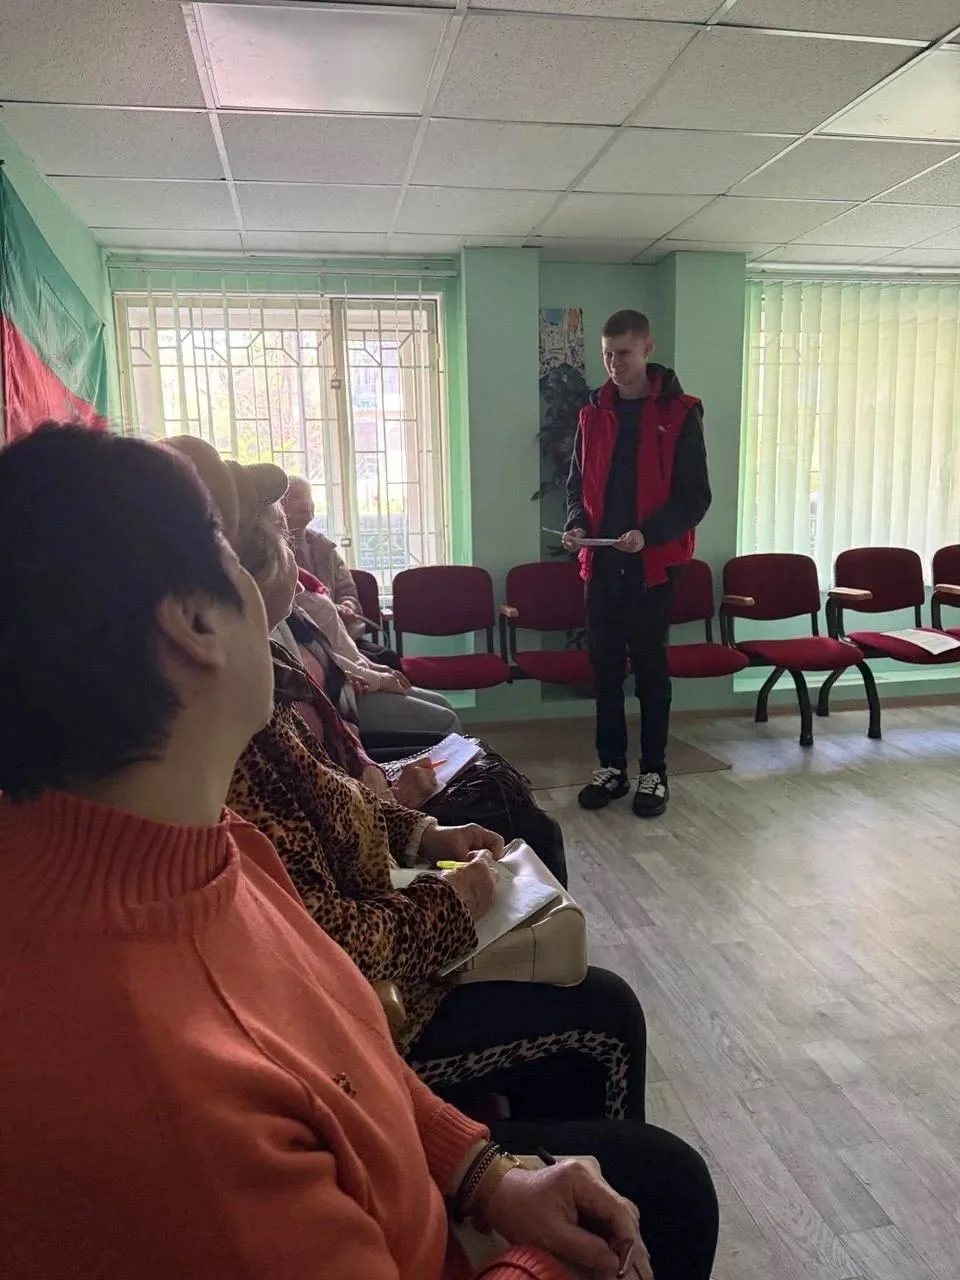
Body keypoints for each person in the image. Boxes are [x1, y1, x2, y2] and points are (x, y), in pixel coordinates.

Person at [0, 423, 718, 1280]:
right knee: (665, 1197)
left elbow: (339, 1047)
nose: (268, 572)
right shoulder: (163, 1087)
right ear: (193, 623)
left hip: (414, 1179)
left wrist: (485, 1174)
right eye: (226, 545)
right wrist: (552, 1262)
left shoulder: (203, 844)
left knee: (662, 1178)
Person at [175, 442, 641, 1119]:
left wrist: (426, 835)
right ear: (198, 617)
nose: (289, 545)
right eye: (271, 535)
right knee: (606, 1012)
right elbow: (332, 945)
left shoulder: (263, 691)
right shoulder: (231, 748)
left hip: (391, 927)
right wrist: (453, 898)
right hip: (376, 1016)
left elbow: (332, 789)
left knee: (516, 824)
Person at [564, 310, 711, 819]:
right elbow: (575, 488)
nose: (614, 365)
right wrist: (576, 525)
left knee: (650, 670)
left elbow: (695, 498)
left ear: (647, 348)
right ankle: (611, 767)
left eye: (623, 354)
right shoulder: (592, 414)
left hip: (654, 566)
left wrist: (648, 534)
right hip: (602, 564)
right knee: (605, 670)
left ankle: (654, 771)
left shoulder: (681, 413)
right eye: (607, 355)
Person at [283, 474, 403, 669]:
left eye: (308, 496)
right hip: (306, 644)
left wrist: (347, 604)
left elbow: (347, 590)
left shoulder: (325, 548)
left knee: (388, 658)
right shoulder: (275, 552)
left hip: (342, 635)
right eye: (296, 497)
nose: (305, 503)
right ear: (279, 507)